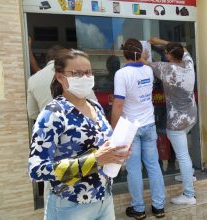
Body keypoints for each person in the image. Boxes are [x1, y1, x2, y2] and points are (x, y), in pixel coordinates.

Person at [28, 49, 131, 220]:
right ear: (60, 78)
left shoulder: (95, 107)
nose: (85, 77)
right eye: (77, 73)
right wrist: (95, 160)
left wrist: (118, 152)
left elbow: (103, 148)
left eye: (88, 72)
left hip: (104, 199)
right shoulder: (52, 114)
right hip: (70, 204)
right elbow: (36, 169)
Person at [27, 45, 98, 206]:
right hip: (79, 143)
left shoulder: (33, 79)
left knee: (51, 184)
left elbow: (31, 113)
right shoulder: (77, 79)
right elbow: (93, 105)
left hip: (51, 143)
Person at [111, 38, 165, 219]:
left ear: (123, 53)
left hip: (130, 128)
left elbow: (118, 103)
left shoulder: (121, 74)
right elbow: (141, 63)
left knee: (134, 169)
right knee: (154, 167)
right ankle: (159, 207)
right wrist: (142, 56)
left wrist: (113, 130)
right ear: (141, 52)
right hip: (149, 124)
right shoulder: (148, 70)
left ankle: (139, 209)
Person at [144, 37, 197, 205]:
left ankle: (189, 195)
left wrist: (148, 48)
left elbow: (142, 62)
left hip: (176, 123)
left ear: (168, 56)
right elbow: (183, 50)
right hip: (191, 117)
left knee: (183, 156)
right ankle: (188, 174)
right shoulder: (188, 64)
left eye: (166, 53)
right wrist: (162, 42)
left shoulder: (166, 68)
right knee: (184, 157)